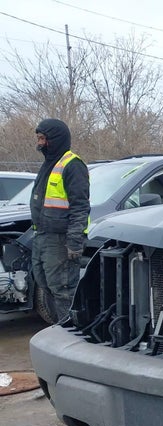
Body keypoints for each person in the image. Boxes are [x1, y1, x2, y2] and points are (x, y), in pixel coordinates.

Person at [30, 118, 90, 322]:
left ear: (55, 139)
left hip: (60, 240)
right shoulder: (49, 164)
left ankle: (68, 336)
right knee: (44, 283)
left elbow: (80, 207)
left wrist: (74, 241)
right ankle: (58, 331)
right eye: (38, 138)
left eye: (42, 138)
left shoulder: (73, 165)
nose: (39, 143)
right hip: (42, 236)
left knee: (63, 290)